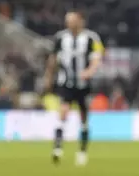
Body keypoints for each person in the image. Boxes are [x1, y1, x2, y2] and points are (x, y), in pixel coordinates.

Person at [44, 11, 104, 166]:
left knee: (84, 118)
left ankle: (82, 151)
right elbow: (53, 59)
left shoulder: (92, 38)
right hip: (66, 82)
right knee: (63, 112)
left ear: (80, 21)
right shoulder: (60, 38)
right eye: (67, 20)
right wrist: (49, 78)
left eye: (72, 20)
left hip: (84, 84)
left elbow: (97, 58)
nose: (69, 23)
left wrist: (90, 71)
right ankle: (57, 148)